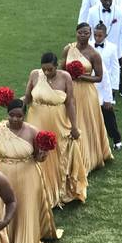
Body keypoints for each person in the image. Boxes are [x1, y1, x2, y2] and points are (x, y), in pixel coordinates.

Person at [0, 100, 61, 243]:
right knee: (1, 209)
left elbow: (38, 158)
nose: (15, 119)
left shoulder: (32, 132)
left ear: (24, 115)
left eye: (19, 115)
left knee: (25, 211)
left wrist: (44, 153)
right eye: (12, 115)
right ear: (7, 114)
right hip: (2, 175)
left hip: (28, 177)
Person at [23, 52, 87, 207]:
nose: (46, 73)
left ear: (56, 66)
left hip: (58, 122)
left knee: (58, 153)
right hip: (36, 120)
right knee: (37, 152)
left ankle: (58, 191)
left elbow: (70, 103)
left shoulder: (65, 77)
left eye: (50, 69)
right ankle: (39, 192)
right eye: (44, 69)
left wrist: (74, 126)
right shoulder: (34, 74)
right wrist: (14, 110)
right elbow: (27, 98)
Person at [61, 23, 113, 172]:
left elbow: (99, 77)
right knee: (70, 120)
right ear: (76, 33)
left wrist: (81, 76)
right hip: (70, 90)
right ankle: (70, 156)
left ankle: (89, 157)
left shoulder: (94, 54)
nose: (83, 36)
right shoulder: (68, 49)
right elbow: (61, 68)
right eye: (80, 33)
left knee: (86, 121)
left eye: (86, 33)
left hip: (86, 92)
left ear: (90, 35)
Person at [91, 24, 122, 150]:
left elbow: (115, 68)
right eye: (95, 35)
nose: (97, 38)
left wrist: (114, 88)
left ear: (106, 35)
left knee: (108, 115)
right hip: (90, 86)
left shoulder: (112, 48)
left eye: (100, 36)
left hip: (105, 86)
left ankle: (116, 139)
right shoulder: (88, 47)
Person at [85, 0, 122, 65]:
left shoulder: (121, 12)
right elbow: (88, 30)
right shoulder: (92, 11)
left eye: (110, 0)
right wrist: (86, 48)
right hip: (96, 50)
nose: (108, 2)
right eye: (105, 0)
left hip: (115, 51)